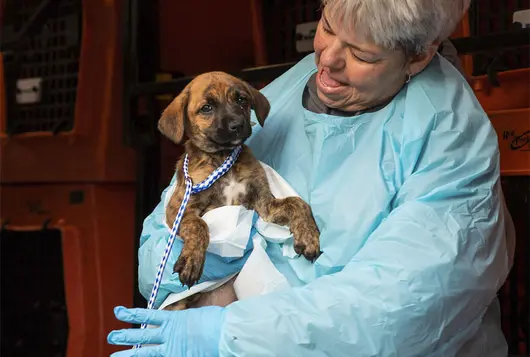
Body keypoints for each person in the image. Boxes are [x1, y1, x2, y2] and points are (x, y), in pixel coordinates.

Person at [107, 0, 516, 355]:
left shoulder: (446, 135)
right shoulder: (292, 88)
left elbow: (404, 306)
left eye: (362, 54)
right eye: (328, 27)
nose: (328, 59)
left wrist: (232, 334)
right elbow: (161, 248)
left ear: (419, 55)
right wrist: (207, 255)